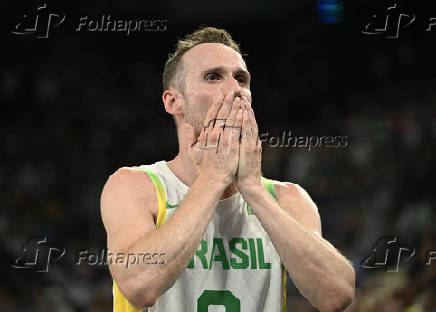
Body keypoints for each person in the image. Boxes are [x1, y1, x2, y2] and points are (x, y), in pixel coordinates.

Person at [100, 26, 355, 312]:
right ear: (173, 102)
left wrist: (254, 190)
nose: (235, 90)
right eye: (213, 77)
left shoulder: (287, 198)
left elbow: (337, 295)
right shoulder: (135, 186)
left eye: (241, 79)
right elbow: (139, 286)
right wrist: (212, 180)